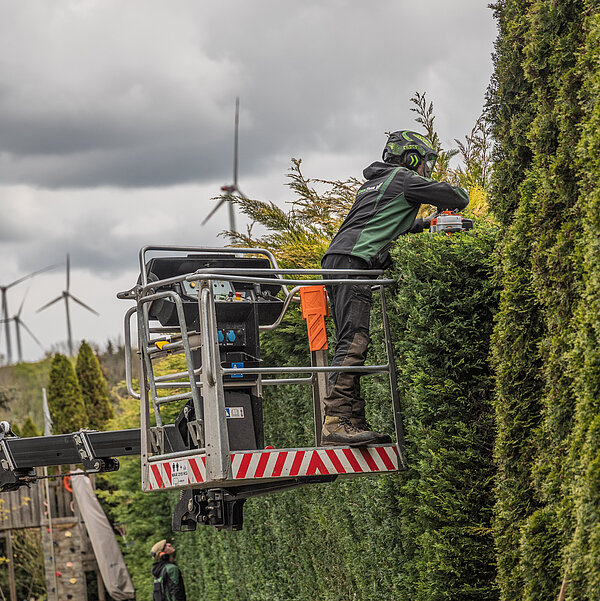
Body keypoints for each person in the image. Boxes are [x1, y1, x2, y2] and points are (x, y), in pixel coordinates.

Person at [321, 130, 469, 446]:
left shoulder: (376, 183)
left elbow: (388, 224)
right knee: (354, 340)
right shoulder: (402, 178)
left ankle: (351, 419)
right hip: (353, 261)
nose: (426, 170)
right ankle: (335, 421)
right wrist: (448, 208)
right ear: (411, 157)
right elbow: (456, 196)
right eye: (426, 162)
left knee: (350, 339)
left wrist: (427, 224)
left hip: (339, 258)